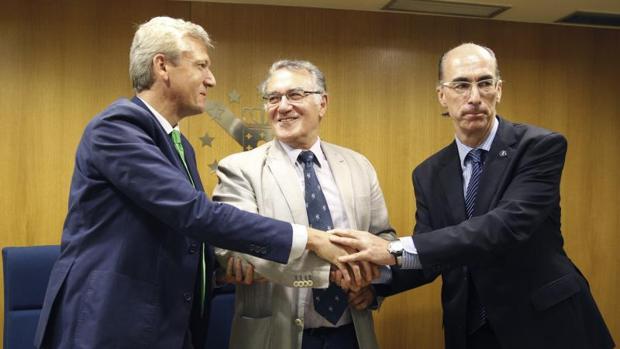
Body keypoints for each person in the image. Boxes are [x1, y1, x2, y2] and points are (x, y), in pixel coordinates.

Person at [34, 17, 358, 349]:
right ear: (162, 66)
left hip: (166, 323)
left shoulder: (178, 144)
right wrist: (309, 239)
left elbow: (182, 233)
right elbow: (194, 213)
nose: (211, 79)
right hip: (112, 322)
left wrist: (221, 269)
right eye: (201, 65)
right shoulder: (117, 128)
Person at [330, 43, 615, 349]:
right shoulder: (428, 173)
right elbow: (432, 253)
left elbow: (505, 227)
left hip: (546, 325)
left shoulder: (538, 147)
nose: (474, 97)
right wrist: (378, 285)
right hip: (471, 331)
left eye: (485, 83)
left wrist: (393, 249)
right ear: (442, 95)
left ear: (499, 90)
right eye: (462, 85)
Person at [212, 60, 395, 349]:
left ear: (322, 103)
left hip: (351, 332)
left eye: (295, 95)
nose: (283, 106)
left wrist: (373, 287)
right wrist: (334, 271)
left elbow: (383, 238)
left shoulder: (358, 166)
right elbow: (240, 248)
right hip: (274, 335)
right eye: (273, 98)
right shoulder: (239, 169)